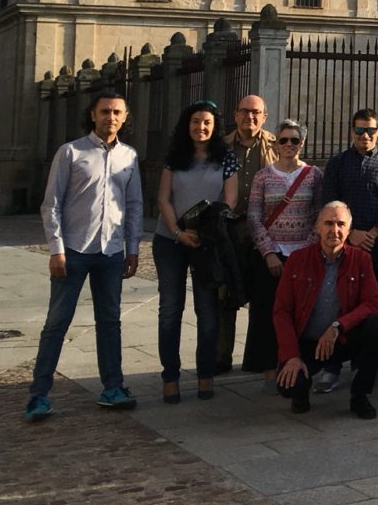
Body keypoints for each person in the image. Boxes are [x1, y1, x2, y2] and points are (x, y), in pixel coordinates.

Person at [25, 90, 143, 421]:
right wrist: (56, 249)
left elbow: (133, 205)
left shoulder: (129, 157)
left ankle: (113, 387)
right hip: (74, 250)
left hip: (110, 252)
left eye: (118, 112)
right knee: (57, 323)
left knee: (110, 321)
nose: (111, 117)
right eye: (105, 111)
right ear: (93, 115)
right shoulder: (71, 152)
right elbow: (52, 204)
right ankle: (38, 394)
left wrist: (132, 247)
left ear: (125, 117)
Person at [154, 99, 239, 403]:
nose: (200, 127)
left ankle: (205, 373)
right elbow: (163, 198)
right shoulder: (174, 156)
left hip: (206, 242)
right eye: (195, 121)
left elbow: (229, 201)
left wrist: (204, 231)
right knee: (170, 309)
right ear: (186, 125)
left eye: (206, 122)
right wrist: (178, 232)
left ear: (215, 127)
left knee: (206, 309)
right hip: (170, 239)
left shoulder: (225, 158)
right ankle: (170, 377)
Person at [273, 201, 378, 419]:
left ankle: (360, 395)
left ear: (348, 230)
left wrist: (338, 326)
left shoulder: (361, 259)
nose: (334, 230)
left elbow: (373, 302)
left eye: (340, 224)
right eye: (328, 223)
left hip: (343, 339)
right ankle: (302, 392)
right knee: (290, 386)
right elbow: (282, 311)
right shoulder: (298, 260)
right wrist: (291, 356)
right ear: (318, 227)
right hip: (308, 343)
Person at [317, 107, 378, 392]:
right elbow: (329, 200)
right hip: (343, 243)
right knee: (337, 301)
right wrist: (350, 234)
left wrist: (373, 233)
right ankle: (332, 365)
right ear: (351, 131)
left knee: (373, 303)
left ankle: (364, 363)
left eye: (371, 130)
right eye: (360, 130)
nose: (365, 135)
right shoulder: (338, 163)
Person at [245, 119, 323, 394]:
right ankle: (269, 369)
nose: (289, 145)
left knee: (300, 313)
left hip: (302, 255)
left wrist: (307, 252)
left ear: (302, 143)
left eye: (294, 140)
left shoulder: (314, 175)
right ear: (275, 143)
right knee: (268, 312)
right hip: (272, 256)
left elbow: (318, 215)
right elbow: (254, 217)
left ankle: (297, 365)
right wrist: (268, 252)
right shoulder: (263, 176)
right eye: (284, 140)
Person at [220, 94, 277, 374]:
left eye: (256, 113)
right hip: (228, 228)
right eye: (244, 111)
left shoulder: (277, 145)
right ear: (235, 114)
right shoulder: (221, 146)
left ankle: (257, 357)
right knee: (225, 292)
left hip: (262, 230)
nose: (249, 117)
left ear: (264, 116)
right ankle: (221, 357)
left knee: (261, 294)